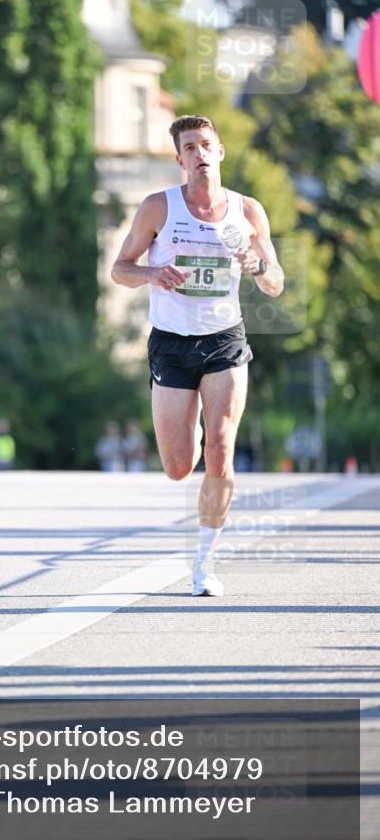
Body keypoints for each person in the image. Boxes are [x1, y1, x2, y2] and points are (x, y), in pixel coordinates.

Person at [111, 114, 284, 596]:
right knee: (178, 466)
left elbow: (275, 283)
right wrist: (152, 274)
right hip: (171, 342)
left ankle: (204, 564)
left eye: (206, 144)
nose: (200, 153)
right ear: (180, 159)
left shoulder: (247, 211)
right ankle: (190, 437)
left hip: (225, 340)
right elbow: (120, 268)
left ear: (220, 151)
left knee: (222, 451)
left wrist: (257, 265)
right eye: (190, 147)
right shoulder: (158, 208)